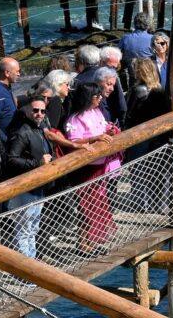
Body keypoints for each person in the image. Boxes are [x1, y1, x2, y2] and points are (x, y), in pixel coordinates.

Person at [64, 83, 119, 256]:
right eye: (97, 96)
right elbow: (74, 141)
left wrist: (109, 131)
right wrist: (95, 138)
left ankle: (91, 241)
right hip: (85, 169)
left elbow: (102, 129)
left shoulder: (97, 112)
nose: (100, 98)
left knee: (98, 203)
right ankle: (83, 243)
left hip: (100, 165)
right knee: (86, 205)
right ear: (89, 98)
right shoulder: (75, 118)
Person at [5, 96, 54, 258]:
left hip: (38, 186)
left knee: (33, 228)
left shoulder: (39, 129)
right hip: (26, 188)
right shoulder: (22, 132)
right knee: (24, 230)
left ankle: (31, 263)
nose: (39, 114)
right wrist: (37, 163)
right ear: (27, 111)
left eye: (42, 111)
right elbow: (11, 159)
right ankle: (24, 268)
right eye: (35, 110)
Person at [125, 58, 169, 160]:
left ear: (141, 72)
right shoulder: (160, 89)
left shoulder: (137, 90)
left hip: (138, 133)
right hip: (156, 133)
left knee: (137, 163)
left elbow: (128, 113)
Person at [0, 57, 20, 141]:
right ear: (7, 73)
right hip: (6, 141)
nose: (19, 74)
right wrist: (4, 140)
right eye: (17, 71)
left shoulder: (6, 87)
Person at [99, 46, 127, 126]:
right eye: (109, 67)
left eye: (115, 68)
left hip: (111, 121)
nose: (112, 71)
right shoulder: (96, 77)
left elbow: (121, 104)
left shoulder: (114, 77)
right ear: (101, 62)